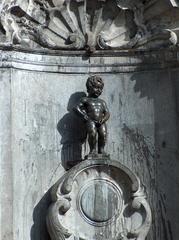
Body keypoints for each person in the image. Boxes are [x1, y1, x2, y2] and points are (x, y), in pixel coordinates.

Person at [74, 75, 110, 156]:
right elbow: (76, 108)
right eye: (97, 88)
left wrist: (104, 119)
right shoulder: (85, 99)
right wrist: (84, 116)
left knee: (103, 134)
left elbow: (107, 113)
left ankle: (101, 150)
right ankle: (92, 150)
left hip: (101, 121)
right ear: (89, 88)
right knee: (92, 133)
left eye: (101, 88)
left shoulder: (102, 102)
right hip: (90, 120)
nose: (99, 90)